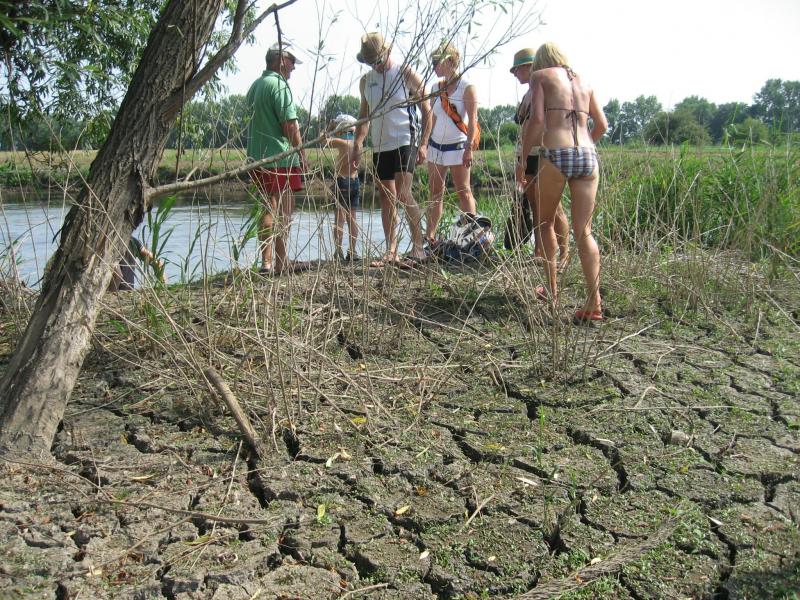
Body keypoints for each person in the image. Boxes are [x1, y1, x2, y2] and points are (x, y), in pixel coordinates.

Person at [518, 42, 608, 322]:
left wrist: (523, 159)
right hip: (588, 155)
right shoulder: (585, 82)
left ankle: (552, 295)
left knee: (545, 223)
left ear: (540, 62)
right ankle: (594, 303)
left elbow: (537, 120)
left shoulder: (540, 76)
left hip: (556, 152)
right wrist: (583, 147)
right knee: (585, 231)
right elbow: (602, 125)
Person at [352, 32, 431, 267]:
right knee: (387, 198)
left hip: (405, 139)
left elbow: (427, 109)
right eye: (370, 63)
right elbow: (364, 116)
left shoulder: (404, 72)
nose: (375, 66)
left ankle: (419, 249)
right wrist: (357, 144)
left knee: (404, 193)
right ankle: (391, 251)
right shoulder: (366, 81)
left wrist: (424, 144)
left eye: (378, 60)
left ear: (387, 52)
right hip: (380, 145)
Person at [246, 42, 307, 275]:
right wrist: (302, 154)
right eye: (292, 62)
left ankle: (266, 262)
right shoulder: (279, 85)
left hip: (257, 158)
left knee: (266, 209)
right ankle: (281, 263)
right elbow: (289, 125)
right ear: (281, 60)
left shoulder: (255, 85)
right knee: (283, 210)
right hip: (279, 159)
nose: (293, 68)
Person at [510, 47, 569, 263]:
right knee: (535, 206)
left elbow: (540, 121)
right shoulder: (529, 93)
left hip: (543, 153)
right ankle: (539, 252)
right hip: (527, 154)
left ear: (529, 66)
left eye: (516, 69)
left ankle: (564, 254)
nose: (515, 74)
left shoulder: (545, 87)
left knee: (554, 208)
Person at [424, 41, 478, 249]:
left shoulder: (467, 87)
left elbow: (472, 120)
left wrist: (468, 149)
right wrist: (424, 143)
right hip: (436, 146)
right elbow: (431, 119)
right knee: (435, 193)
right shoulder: (435, 88)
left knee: (463, 191)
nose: (434, 67)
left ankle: (471, 237)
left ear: (450, 62)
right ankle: (430, 237)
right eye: (433, 63)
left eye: (437, 62)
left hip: (457, 146)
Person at [325, 113, 361, 261]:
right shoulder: (358, 143)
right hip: (355, 181)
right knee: (352, 219)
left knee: (339, 219)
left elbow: (323, 140)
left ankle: (338, 251)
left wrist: (330, 127)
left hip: (342, 182)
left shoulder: (342, 142)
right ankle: (353, 251)